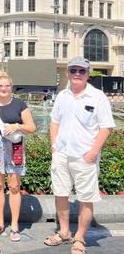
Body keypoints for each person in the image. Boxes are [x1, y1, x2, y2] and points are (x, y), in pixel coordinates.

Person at [43, 57, 115, 254]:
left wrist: (92, 153)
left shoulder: (97, 96)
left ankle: (80, 238)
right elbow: (54, 121)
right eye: (73, 70)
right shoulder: (63, 96)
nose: (77, 74)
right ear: (67, 73)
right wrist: (54, 147)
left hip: (84, 157)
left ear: (88, 74)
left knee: (86, 198)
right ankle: (64, 232)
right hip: (62, 154)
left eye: (81, 71)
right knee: (61, 194)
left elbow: (106, 127)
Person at [0, 72, 36, 242]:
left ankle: (15, 225)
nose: (3, 89)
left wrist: (17, 126)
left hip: (14, 146)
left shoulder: (19, 104)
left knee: (14, 186)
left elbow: (31, 127)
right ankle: (0, 222)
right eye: (0, 86)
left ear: (11, 88)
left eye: (7, 86)